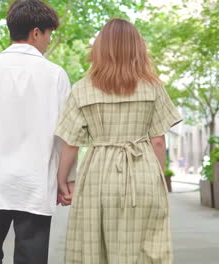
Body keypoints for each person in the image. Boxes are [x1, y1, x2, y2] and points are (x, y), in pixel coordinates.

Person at [55, 18, 182, 264]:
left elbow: (71, 143)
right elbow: (157, 141)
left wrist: (64, 180)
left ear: (99, 49)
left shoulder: (82, 89)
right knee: (147, 244)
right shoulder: (152, 87)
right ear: (138, 48)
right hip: (142, 170)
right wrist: (158, 178)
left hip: (97, 175)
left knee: (94, 245)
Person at [0, 1, 73, 263]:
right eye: (48, 34)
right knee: (31, 257)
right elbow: (67, 134)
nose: (48, 41)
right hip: (34, 182)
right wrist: (64, 179)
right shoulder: (55, 75)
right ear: (36, 32)